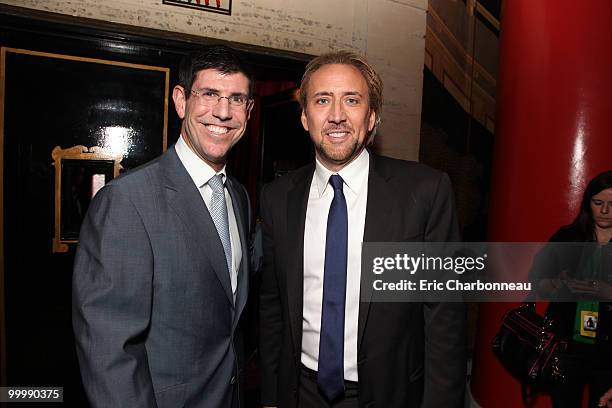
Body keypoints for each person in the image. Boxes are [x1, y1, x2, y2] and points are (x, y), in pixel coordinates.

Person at [259, 51, 466, 408]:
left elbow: (444, 317)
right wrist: (270, 397)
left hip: (392, 394)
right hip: (300, 392)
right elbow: (273, 307)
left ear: (372, 117)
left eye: (352, 100)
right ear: (305, 117)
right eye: (322, 100)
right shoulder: (277, 197)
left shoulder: (425, 191)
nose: (337, 115)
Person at [72, 45, 254, 408]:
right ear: (181, 100)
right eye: (209, 94)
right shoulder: (126, 202)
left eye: (236, 99)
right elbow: (109, 349)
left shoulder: (239, 197)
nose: (223, 111)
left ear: (249, 110)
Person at [530, 170, 612, 408]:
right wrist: (557, 285)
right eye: (598, 203)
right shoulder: (568, 236)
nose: (605, 211)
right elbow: (538, 281)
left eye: (611, 204)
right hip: (567, 345)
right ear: (588, 203)